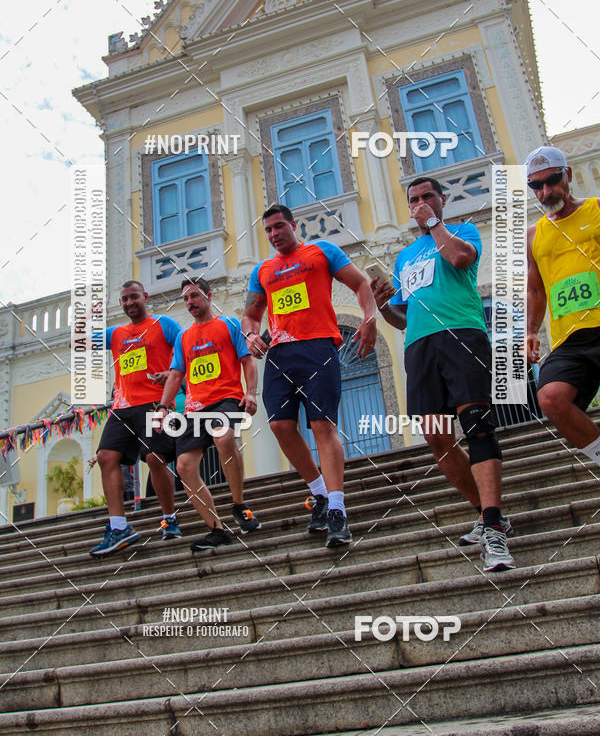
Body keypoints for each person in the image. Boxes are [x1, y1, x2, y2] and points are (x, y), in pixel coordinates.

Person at [371, 177, 515, 573]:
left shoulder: (460, 231)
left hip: (461, 336)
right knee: (436, 437)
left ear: (442, 200)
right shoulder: (404, 258)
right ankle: (488, 514)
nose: (419, 204)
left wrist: (435, 223)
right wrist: (384, 306)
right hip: (419, 347)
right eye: (413, 200)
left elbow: (460, 259)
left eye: (427, 198)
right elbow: (403, 316)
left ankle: (493, 530)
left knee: (478, 427)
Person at [241, 204, 377, 548]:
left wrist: (369, 318)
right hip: (280, 354)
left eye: (278, 226)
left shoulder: (322, 251)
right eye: (268, 230)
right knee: (279, 426)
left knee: (322, 426)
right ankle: (318, 493)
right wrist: (250, 334)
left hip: (317, 348)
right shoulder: (263, 269)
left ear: (293, 224)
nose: (274, 234)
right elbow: (251, 314)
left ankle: (337, 510)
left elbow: (361, 283)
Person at [153, 277, 260, 551]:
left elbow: (247, 361)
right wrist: (163, 408)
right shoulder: (184, 338)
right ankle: (216, 529)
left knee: (223, 438)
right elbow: (176, 375)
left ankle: (238, 505)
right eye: (186, 298)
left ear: (209, 296)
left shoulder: (229, 325)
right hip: (194, 408)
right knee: (183, 467)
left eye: (195, 295)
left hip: (225, 399)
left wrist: (251, 393)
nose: (190, 302)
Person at [89, 280, 182, 557]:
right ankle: (119, 527)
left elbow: (188, 346)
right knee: (106, 456)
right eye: (124, 299)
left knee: (155, 458)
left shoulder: (163, 324)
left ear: (145, 297)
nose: (129, 303)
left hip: (154, 404)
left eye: (134, 297)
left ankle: (170, 519)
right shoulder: (115, 333)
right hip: (122, 407)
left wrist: (175, 375)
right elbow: (80, 340)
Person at [526, 145, 600, 463]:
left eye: (552, 181)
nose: (545, 191)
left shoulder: (596, 210)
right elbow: (536, 290)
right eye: (536, 186)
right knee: (551, 397)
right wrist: (530, 331)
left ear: (567, 175)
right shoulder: (534, 234)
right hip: (569, 340)